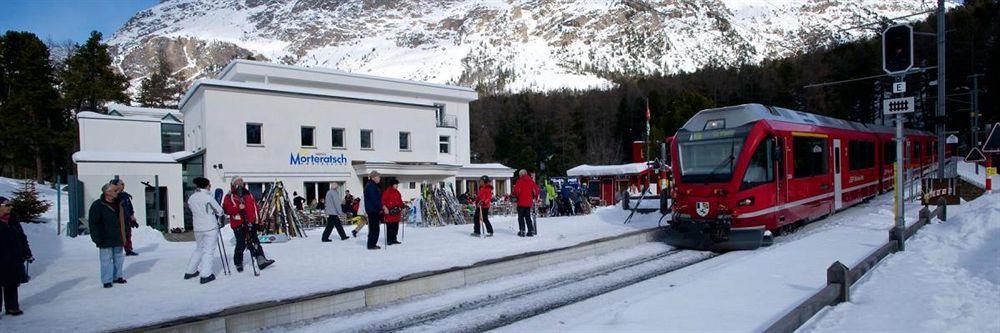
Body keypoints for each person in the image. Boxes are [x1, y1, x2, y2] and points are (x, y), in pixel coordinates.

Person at [222, 177, 274, 272]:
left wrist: (257, 220)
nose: (241, 183)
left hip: (250, 222)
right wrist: (238, 207)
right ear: (233, 183)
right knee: (241, 243)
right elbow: (227, 210)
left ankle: (261, 260)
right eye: (238, 181)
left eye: (241, 181)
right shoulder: (230, 196)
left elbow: (254, 208)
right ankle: (238, 262)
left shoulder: (248, 194)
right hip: (238, 223)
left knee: (255, 241)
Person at [88, 182, 127, 288]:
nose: (118, 192)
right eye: (115, 190)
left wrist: (125, 233)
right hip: (104, 238)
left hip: (118, 236)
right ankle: (107, 280)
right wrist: (97, 238)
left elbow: (123, 220)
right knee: (106, 260)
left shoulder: (119, 203)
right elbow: (93, 223)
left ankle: (117, 277)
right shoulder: (97, 205)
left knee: (119, 258)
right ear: (107, 192)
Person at [0, 196, 33, 316]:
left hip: (13, 256)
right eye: (6, 205)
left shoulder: (13, 219)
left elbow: (22, 237)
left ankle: (12, 307)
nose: (10, 207)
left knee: (12, 282)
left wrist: (27, 252)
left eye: (10, 205)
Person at [111, 179, 139, 256]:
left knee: (128, 234)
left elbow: (130, 207)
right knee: (119, 235)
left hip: (126, 219)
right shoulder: (113, 196)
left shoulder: (125, 196)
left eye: (123, 184)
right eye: (122, 184)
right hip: (118, 220)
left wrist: (132, 217)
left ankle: (128, 249)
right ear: (116, 185)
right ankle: (116, 251)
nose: (123, 185)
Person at [512, 170, 538, 237]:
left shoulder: (520, 181)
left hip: (521, 202)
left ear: (521, 175)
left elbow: (516, 191)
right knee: (528, 217)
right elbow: (536, 190)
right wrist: (535, 197)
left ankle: (522, 230)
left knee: (521, 217)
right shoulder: (531, 181)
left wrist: (515, 196)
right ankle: (530, 231)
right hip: (529, 202)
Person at [363, 171, 383, 250]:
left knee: (375, 228)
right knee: (374, 228)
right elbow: (375, 199)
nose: (379, 178)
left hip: (373, 209)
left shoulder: (372, 185)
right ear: (373, 177)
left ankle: (372, 244)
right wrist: (381, 207)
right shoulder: (371, 186)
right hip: (372, 210)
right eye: (378, 177)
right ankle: (371, 245)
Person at [381, 179, 404, 245]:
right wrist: (385, 208)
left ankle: (394, 239)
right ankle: (389, 240)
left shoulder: (397, 192)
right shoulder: (387, 192)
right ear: (392, 185)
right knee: (390, 227)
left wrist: (402, 206)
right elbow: (382, 201)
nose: (397, 186)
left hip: (396, 213)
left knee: (396, 227)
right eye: (395, 184)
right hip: (389, 213)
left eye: (397, 184)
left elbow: (400, 201)